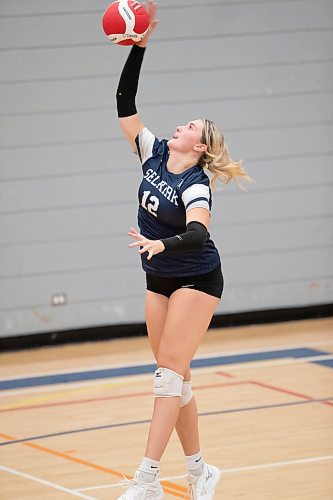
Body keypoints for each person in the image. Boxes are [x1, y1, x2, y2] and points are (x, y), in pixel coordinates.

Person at [115, 2, 251, 498]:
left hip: (196, 274)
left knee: (166, 376)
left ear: (200, 146)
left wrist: (159, 241)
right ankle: (200, 473)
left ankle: (147, 478)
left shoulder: (196, 183)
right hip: (159, 275)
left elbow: (197, 233)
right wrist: (139, 46)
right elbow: (125, 102)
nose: (181, 125)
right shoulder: (151, 152)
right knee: (176, 377)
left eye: (192, 125)